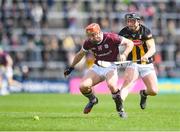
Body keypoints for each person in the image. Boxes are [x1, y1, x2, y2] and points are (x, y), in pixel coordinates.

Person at [64, 23, 134, 118]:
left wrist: (124, 54)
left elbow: (130, 43)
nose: (91, 38)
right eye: (89, 36)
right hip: (98, 66)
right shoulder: (88, 42)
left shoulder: (111, 37)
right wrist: (71, 67)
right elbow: (80, 54)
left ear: (98, 32)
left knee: (112, 85)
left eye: (92, 35)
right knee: (83, 87)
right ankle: (93, 100)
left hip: (111, 66)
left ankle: (120, 108)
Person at [118, 13, 158, 116]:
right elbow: (116, 46)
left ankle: (143, 93)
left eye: (133, 21)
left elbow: (152, 48)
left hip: (146, 63)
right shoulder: (123, 32)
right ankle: (120, 107)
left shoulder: (145, 31)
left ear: (138, 22)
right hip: (133, 62)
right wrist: (122, 55)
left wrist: (146, 56)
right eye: (128, 21)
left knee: (153, 91)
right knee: (127, 84)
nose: (130, 23)